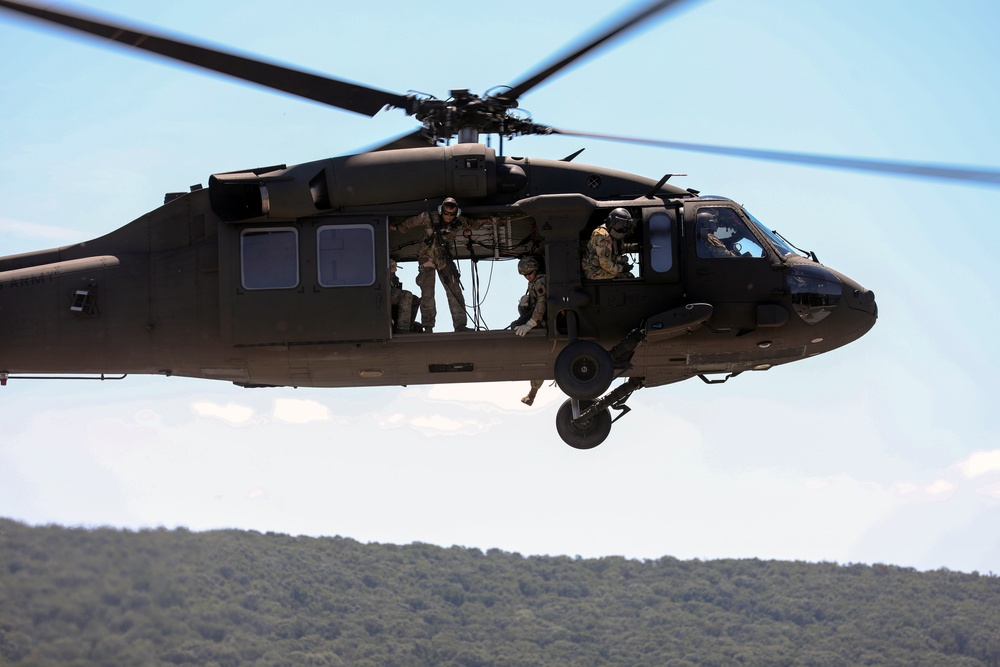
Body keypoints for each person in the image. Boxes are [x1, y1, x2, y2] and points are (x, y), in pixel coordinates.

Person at [390, 197, 474, 332]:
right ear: (442, 211)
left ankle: (460, 325)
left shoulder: (458, 222)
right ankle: (428, 326)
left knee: (454, 290)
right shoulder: (429, 217)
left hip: (444, 258)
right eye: (446, 213)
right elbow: (412, 222)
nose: (449, 216)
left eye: (452, 214)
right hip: (426, 257)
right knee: (428, 292)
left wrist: (489, 221)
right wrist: (398, 227)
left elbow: (472, 223)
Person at [512, 255, 547, 405]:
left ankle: (532, 394)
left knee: (538, 360)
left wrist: (531, 323)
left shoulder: (540, 281)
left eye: (529, 273)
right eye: (524, 275)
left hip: (544, 325)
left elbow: (542, 302)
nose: (527, 277)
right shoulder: (534, 282)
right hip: (539, 323)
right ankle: (532, 394)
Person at [582, 208, 636, 279]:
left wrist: (633, 247)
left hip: (602, 268)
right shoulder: (602, 236)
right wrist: (622, 268)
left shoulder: (612, 235)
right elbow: (606, 264)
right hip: (594, 271)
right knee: (627, 276)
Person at [389, 260, 420, 333]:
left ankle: (409, 327)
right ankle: (402, 329)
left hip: (388, 293)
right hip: (378, 294)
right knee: (406, 295)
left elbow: (394, 282)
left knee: (415, 299)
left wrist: (393, 273)